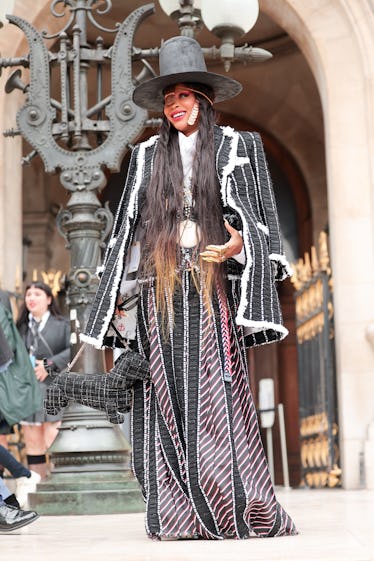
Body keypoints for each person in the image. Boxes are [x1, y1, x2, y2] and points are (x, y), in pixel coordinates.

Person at [79, 36, 297, 540]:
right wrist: (112, 307)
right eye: (168, 98)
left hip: (212, 289)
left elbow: (264, 225)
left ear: (205, 99)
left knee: (216, 399)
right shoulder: (146, 156)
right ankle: (179, 516)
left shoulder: (243, 147)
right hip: (159, 294)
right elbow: (123, 236)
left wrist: (239, 245)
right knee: (166, 401)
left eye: (184, 95)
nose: (175, 105)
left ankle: (233, 508)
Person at [16, 282, 70, 480]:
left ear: (48, 299)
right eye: (28, 294)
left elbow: (73, 350)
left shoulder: (62, 324)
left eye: (37, 294)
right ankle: (37, 488)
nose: (31, 298)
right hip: (28, 391)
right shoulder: (20, 327)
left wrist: (50, 364)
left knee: (52, 436)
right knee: (33, 441)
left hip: (53, 388)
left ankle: (60, 485)